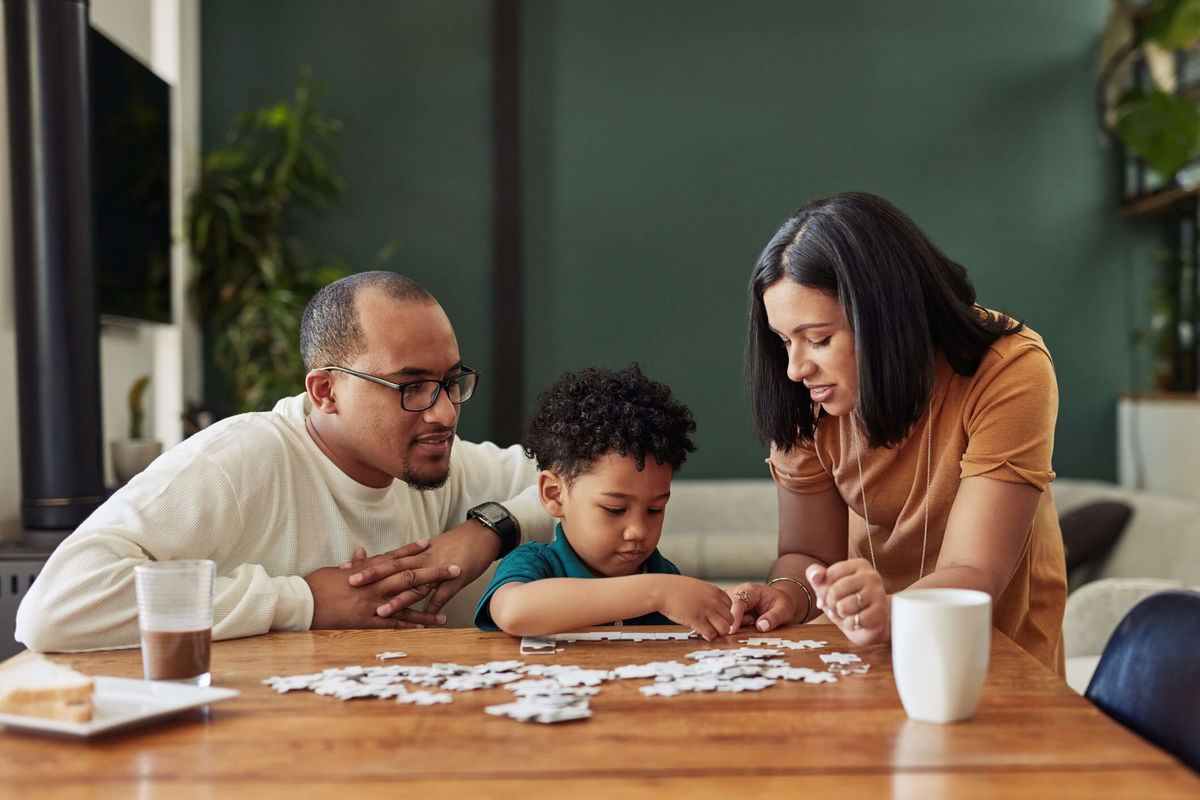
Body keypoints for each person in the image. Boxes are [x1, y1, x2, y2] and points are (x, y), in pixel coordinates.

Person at [16, 271, 554, 652]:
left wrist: (491, 529)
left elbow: (583, 478)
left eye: (451, 382)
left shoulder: (435, 454)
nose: (442, 412)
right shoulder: (238, 459)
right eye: (411, 386)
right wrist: (300, 602)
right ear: (325, 391)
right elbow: (56, 607)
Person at [728, 192, 1066, 673]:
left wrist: (890, 611)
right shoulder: (807, 395)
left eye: (819, 339)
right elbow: (807, 554)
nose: (794, 368)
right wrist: (786, 594)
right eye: (784, 341)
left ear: (885, 317)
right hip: (870, 654)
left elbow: (973, 573)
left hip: (998, 655)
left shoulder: (1009, 368)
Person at [473, 365, 735, 641]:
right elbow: (514, 611)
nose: (638, 530)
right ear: (554, 494)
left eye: (655, 510)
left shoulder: (661, 572)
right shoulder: (537, 564)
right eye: (615, 509)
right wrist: (655, 593)